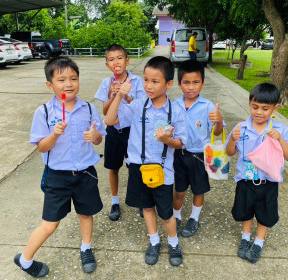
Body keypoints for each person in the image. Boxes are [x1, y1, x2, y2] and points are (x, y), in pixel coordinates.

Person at [14, 57, 106, 278]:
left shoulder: (89, 109)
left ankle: (86, 248)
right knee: (50, 224)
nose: (69, 84)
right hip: (57, 176)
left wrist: (95, 136)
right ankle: (25, 260)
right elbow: (41, 148)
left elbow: (98, 140)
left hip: (85, 174)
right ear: (50, 85)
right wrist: (54, 134)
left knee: (86, 213)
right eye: (61, 79)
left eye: (73, 78)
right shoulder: (44, 112)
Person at [105, 56, 188, 266]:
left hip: (163, 171)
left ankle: (173, 242)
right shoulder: (138, 105)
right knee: (147, 208)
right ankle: (154, 240)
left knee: (166, 213)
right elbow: (109, 120)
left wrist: (168, 140)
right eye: (146, 80)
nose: (149, 86)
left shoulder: (176, 111)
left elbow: (181, 143)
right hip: (138, 168)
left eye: (155, 81)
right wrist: (118, 95)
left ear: (169, 84)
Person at [225, 83, 288, 264]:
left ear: (275, 108)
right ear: (249, 103)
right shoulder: (241, 128)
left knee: (264, 214)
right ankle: (245, 237)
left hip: (268, 182)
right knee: (245, 212)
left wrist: (279, 140)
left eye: (265, 108)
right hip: (245, 181)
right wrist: (233, 139)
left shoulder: (281, 130)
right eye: (255, 107)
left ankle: (258, 242)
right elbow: (230, 152)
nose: (259, 112)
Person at [173, 60, 224, 237]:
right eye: (186, 82)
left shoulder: (208, 106)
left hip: (200, 155)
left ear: (202, 83)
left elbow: (217, 132)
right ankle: (176, 216)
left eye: (196, 82)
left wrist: (218, 120)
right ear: (179, 84)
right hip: (178, 154)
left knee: (199, 189)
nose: (191, 87)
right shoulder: (174, 105)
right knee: (179, 190)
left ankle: (194, 218)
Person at [95, 44, 145, 221]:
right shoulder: (106, 83)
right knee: (113, 167)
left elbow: (140, 109)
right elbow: (105, 112)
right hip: (114, 131)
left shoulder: (138, 82)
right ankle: (115, 201)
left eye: (119, 58)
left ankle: (139, 199)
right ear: (107, 64)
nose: (116, 62)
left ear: (127, 60)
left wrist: (125, 95)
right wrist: (112, 95)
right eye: (111, 59)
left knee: (135, 166)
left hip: (133, 132)